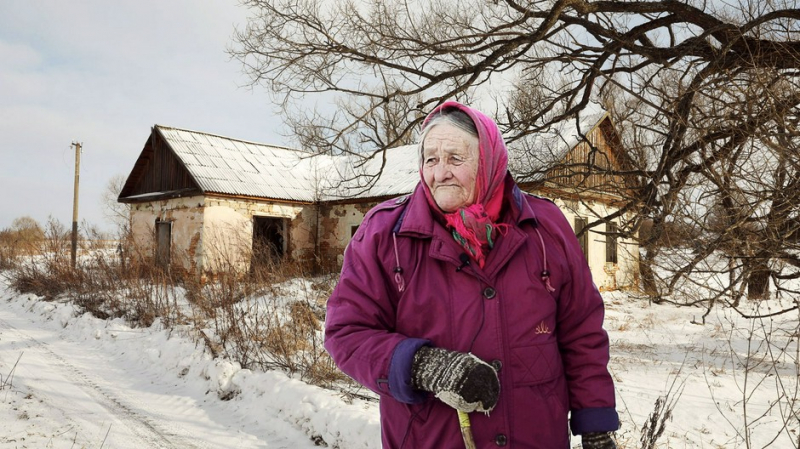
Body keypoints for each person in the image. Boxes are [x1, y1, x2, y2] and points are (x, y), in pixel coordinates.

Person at [324, 101, 619, 448]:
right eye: (430, 159)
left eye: (455, 158)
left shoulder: (545, 227)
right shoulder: (385, 234)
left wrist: (595, 425)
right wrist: (423, 365)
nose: (440, 172)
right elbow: (347, 332)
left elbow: (580, 330)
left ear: (488, 161)